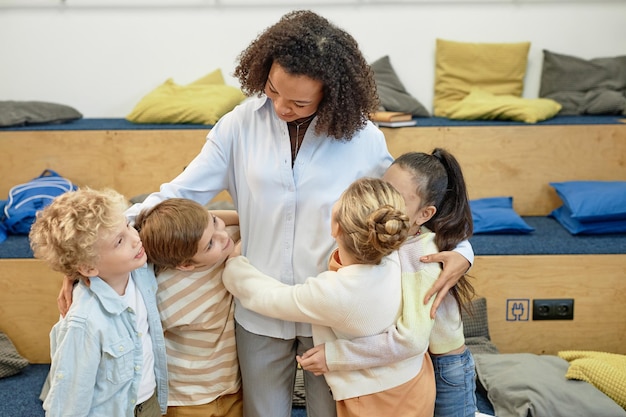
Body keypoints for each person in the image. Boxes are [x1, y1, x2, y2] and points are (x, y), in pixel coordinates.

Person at [57, 10, 473, 417]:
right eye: (273, 91)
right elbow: (176, 194)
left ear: (331, 96)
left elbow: (407, 206)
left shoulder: (362, 138)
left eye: (298, 102)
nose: (280, 108)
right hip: (258, 313)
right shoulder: (238, 126)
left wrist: (463, 251)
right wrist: (83, 256)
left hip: (330, 315)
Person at [223, 177, 436, 417]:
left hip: (374, 400)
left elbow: (268, 297)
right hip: (417, 382)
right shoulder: (403, 254)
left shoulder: (336, 292)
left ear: (335, 228)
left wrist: (233, 265)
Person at [297, 149, 478, 417]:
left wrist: (336, 356)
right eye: (384, 191)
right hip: (417, 363)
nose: (383, 205)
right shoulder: (387, 239)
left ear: (424, 214)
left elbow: (411, 340)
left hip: (445, 365)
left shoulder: (421, 254)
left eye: (397, 199)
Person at [29, 188, 168, 417]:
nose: (135, 238)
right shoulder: (84, 322)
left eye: (127, 225)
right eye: (119, 241)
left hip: (148, 402)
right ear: (88, 268)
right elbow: (68, 401)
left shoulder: (139, 270)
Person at [134, 198, 243, 417]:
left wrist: (229, 220)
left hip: (231, 388)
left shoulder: (223, 242)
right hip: (186, 399)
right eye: (210, 243)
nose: (223, 236)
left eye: (215, 222)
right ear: (185, 264)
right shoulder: (166, 292)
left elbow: (250, 224)